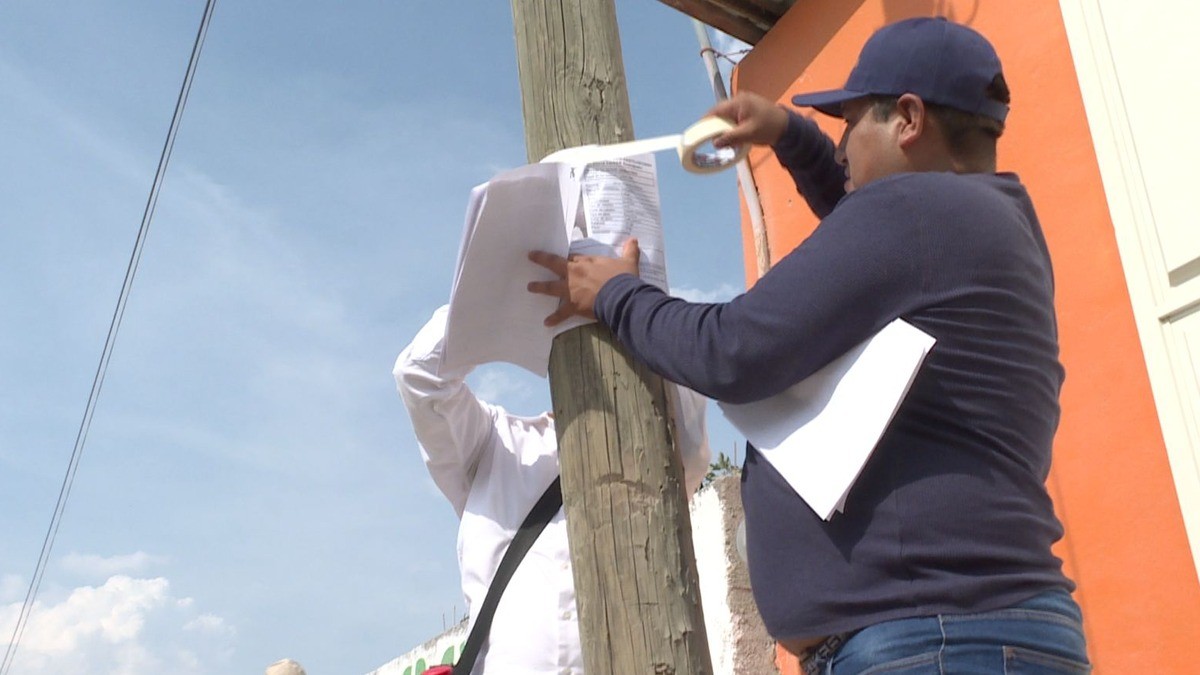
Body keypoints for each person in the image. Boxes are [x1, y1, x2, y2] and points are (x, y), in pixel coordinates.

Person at [527, 16, 1089, 674]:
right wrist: (789, 136)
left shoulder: (913, 215)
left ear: (907, 119)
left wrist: (618, 296)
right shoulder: (987, 221)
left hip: (933, 639)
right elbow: (867, 228)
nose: (842, 146)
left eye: (850, 123)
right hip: (971, 632)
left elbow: (730, 351)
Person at [394, 305, 711, 674]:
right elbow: (419, 375)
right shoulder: (495, 444)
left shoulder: (651, 445)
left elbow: (688, 414)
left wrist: (627, 303)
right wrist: (510, 298)